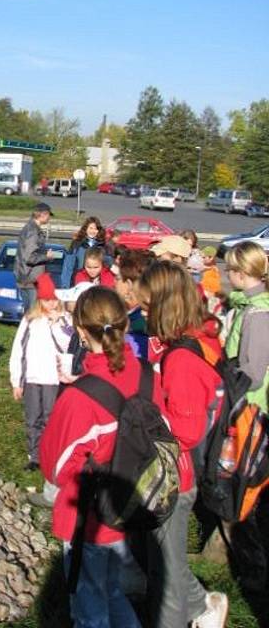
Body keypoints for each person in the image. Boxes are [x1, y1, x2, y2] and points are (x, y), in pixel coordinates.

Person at [40, 286, 163, 628]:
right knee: (112, 592)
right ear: (126, 323)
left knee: (90, 608)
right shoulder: (149, 376)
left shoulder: (80, 398)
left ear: (80, 331)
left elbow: (55, 466)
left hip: (89, 519)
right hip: (132, 507)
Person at [138, 261, 229, 628]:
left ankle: (181, 616)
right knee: (165, 559)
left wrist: (143, 419)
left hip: (176, 477)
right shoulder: (190, 341)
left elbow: (187, 430)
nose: (141, 312)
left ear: (163, 306)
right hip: (175, 471)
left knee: (168, 574)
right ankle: (204, 605)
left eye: (146, 307)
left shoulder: (181, 361)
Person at [223, 241, 269, 592]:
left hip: (251, 408)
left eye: (229, 270)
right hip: (252, 406)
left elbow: (251, 370)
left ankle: (253, 566)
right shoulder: (250, 305)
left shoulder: (257, 315)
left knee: (245, 485)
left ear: (241, 273)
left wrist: (226, 383)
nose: (226, 275)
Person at [9, 272, 73, 471]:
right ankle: (34, 456)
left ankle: (50, 455)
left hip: (54, 379)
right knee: (32, 418)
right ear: (39, 300)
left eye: (54, 300)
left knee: (50, 418)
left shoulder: (66, 320)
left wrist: (58, 323)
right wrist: (16, 381)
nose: (51, 304)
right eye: (47, 300)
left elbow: (67, 345)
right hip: (32, 377)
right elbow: (18, 350)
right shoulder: (30, 320)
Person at [113, 248, 154, 360]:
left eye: (117, 278)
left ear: (129, 284)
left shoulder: (138, 327)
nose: (114, 282)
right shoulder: (133, 316)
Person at [14, 201, 56, 311]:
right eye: (48, 216)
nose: (49, 219)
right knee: (33, 312)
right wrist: (47, 256)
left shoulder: (29, 228)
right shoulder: (33, 231)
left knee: (29, 311)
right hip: (31, 278)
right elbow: (29, 257)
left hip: (25, 277)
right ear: (43, 214)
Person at [61, 216, 107, 287]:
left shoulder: (102, 245)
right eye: (91, 228)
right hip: (79, 280)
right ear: (86, 229)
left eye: (95, 229)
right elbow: (68, 266)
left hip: (97, 283)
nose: (93, 231)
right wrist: (65, 286)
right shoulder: (77, 243)